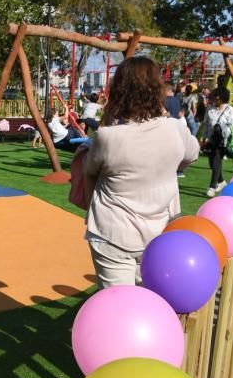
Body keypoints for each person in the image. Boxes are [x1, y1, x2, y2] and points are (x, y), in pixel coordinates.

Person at [84, 56, 199, 287]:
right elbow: (191, 155)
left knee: (120, 310)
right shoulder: (175, 129)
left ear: (118, 91)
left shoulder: (107, 137)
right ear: (157, 89)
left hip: (112, 234)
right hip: (161, 232)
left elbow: (90, 171)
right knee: (155, 303)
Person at [201, 87, 233, 197]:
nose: (215, 99)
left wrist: (224, 131)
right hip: (212, 139)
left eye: (217, 97)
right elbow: (206, 124)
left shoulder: (229, 109)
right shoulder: (210, 109)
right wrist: (203, 139)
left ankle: (212, 186)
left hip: (223, 140)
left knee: (216, 160)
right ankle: (221, 182)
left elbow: (232, 126)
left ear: (222, 97)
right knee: (212, 163)